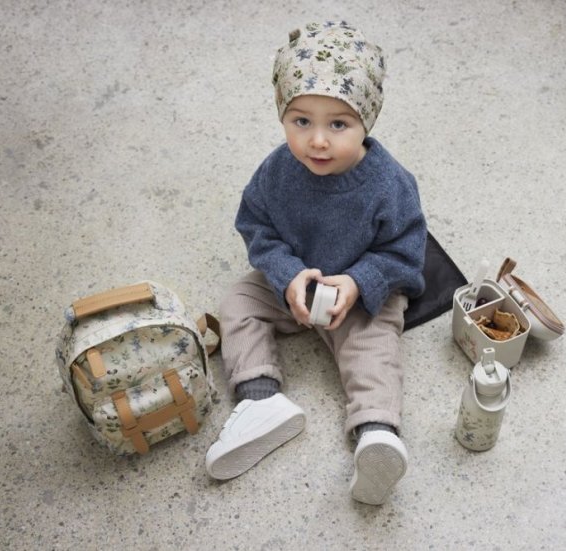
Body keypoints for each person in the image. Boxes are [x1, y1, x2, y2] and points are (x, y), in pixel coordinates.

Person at [205, 20, 426, 506]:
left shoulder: (390, 185)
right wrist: (286, 275)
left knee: (374, 346)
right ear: (283, 115)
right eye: (301, 121)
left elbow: (407, 251)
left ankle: (375, 434)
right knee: (238, 302)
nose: (318, 141)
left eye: (338, 124)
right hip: (295, 282)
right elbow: (256, 226)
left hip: (360, 292)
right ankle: (261, 400)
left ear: (367, 121)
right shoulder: (276, 171)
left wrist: (359, 280)